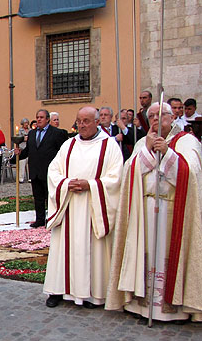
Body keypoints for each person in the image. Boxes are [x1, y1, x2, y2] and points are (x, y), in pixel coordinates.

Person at [106, 102, 202, 322]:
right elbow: (129, 172)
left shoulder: (186, 141)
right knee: (146, 253)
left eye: (162, 114)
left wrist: (167, 153)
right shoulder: (143, 142)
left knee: (166, 255)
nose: (157, 119)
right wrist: (148, 151)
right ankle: (142, 305)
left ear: (172, 117)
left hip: (172, 210)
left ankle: (172, 308)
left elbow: (192, 174)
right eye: (152, 116)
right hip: (144, 211)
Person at [43, 107, 123, 309]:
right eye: (79, 121)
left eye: (86, 121)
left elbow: (116, 177)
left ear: (97, 122)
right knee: (63, 250)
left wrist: (92, 185)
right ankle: (58, 290)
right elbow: (53, 171)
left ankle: (92, 294)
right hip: (68, 206)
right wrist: (65, 183)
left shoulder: (109, 146)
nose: (81, 125)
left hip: (93, 208)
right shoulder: (68, 145)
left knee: (93, 251)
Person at [15, 109, 68, 227]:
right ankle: (39, 219)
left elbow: (63, 151)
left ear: (47, 119)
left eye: (41, 117)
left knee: (50, 197)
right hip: (35, 170)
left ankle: (53, 218)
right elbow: (29, 150)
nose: (38, 119)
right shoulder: (32, 133)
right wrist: (18, 155)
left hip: (49, 170)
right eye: (37, 117)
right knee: (38, 197)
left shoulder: (56, 133)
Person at [17, 118, 29, 182]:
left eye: (27, 123)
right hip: (22, 148)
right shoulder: (20, 131)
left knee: (31, 162)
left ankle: (30, 177)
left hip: (29, 149)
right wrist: (25, 138)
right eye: (25, 123)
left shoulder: (30, 130)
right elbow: (20, 138)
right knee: (22, 162)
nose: (26, 124)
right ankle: (21, 178)